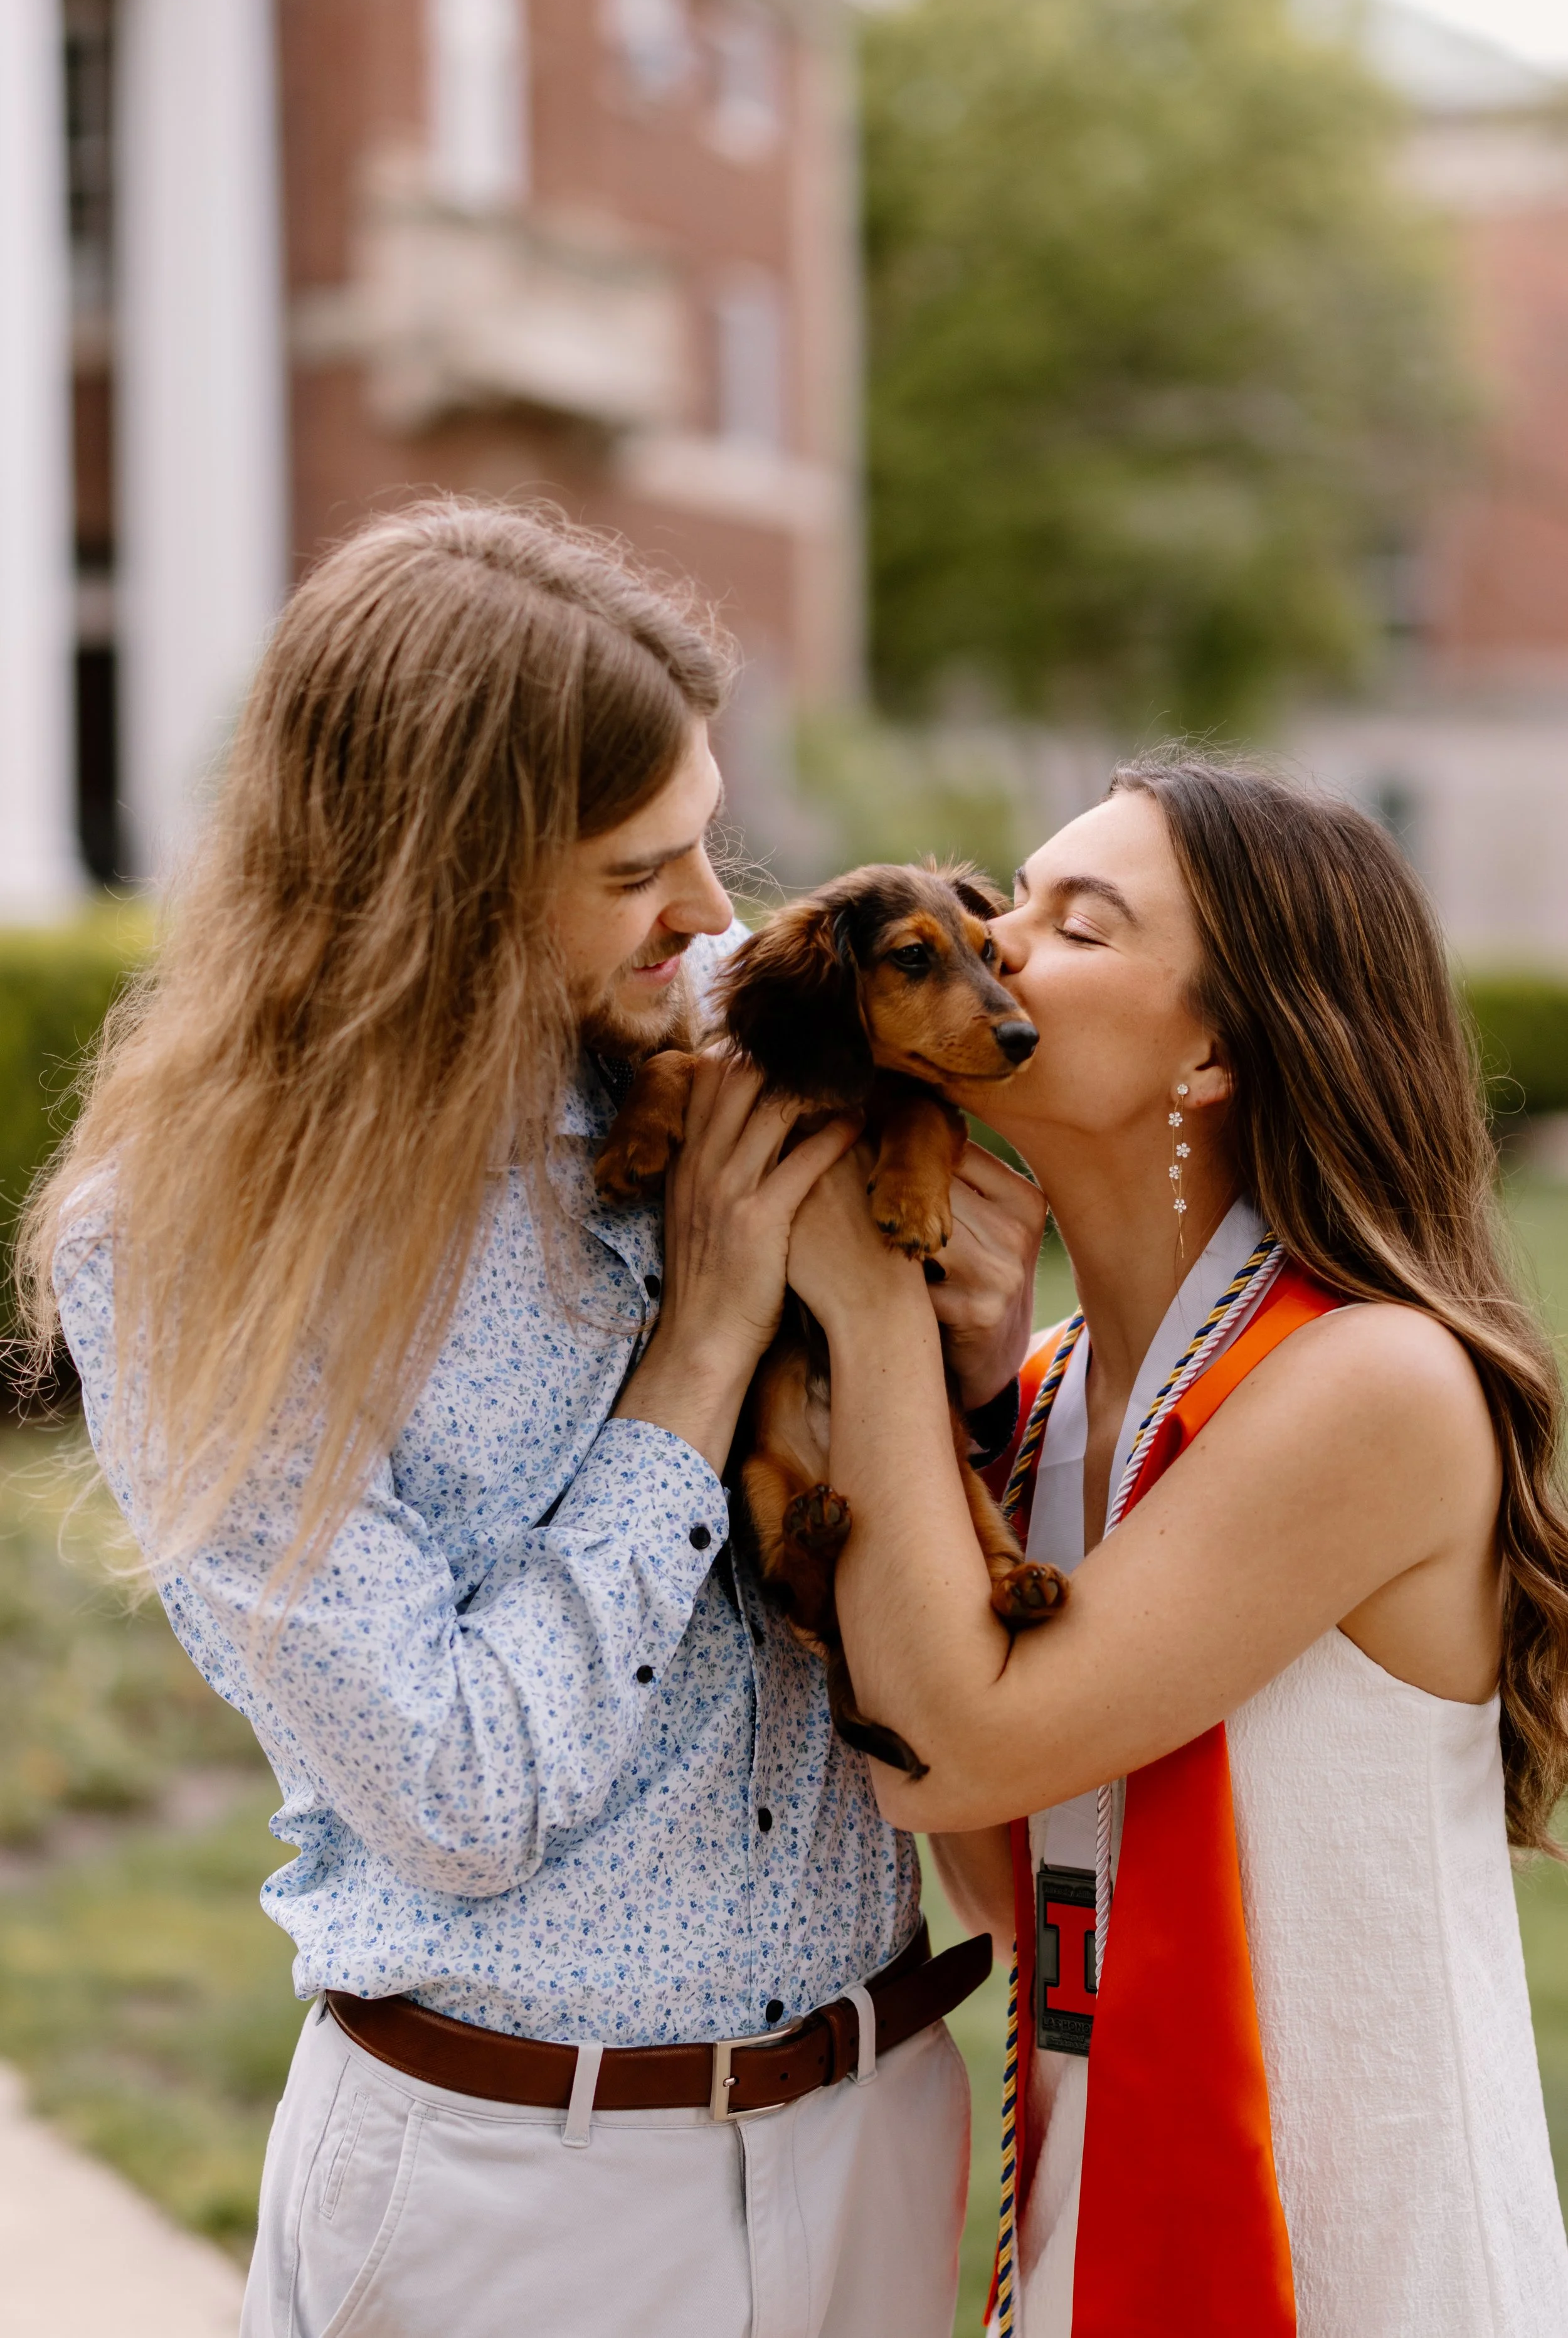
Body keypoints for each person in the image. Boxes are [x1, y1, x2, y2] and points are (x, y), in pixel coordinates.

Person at [19, 502, 1042, 2338]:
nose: (715, 912)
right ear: (444, 876)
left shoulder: (745, 1042)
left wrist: (960, 1348)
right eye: (638, 866)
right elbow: (453, 1788)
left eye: (707, 836)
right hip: (519, 2197)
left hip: (883, 2117)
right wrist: (703, 1338)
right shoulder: (199, 1241)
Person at [775, 757, 1568, 2337]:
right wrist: (963, 1393)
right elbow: (1018, 1884)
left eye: (1078, 923)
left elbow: (943, 1750)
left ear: (1209, 1048)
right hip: (1098, 2224)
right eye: (1009, 899)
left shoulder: (1368, 1380)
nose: (991, 945)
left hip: (1349, 2261)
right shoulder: (1060, 1392)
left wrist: (861, 1296)